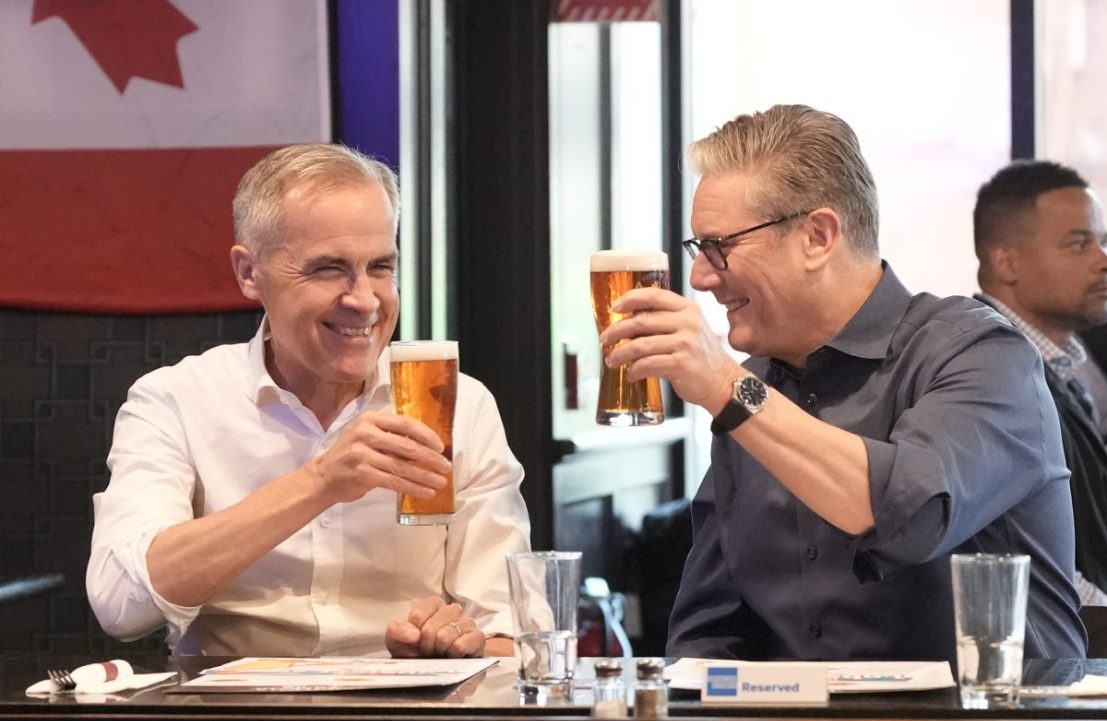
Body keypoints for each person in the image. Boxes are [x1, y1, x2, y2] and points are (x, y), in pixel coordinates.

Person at [602, 104, 1086, 661]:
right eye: (698, 249)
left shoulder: (981, 354)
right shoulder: (752, 387)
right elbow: (709, 632)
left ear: (818, 236)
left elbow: (914, 516)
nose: (700, 276)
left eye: (720, 246)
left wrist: (725, 388)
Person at [86, 143, 531, 658]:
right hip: (232, 718)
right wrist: (319, 484)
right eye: (327, 269)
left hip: (405, 714)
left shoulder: (456, 403)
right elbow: (121, 605)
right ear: (249, 273)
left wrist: (455, 647)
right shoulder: (175, 399)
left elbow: (512, 636)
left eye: (381, 267)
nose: (364, 299)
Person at [974, 159, 1107, 606]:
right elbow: (1029, 563)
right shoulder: (982, 372)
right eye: (1078, 244)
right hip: (1041, 658)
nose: (1102, 261)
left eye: (1102, 242)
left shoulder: (1063, 371)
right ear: (1007, 262)